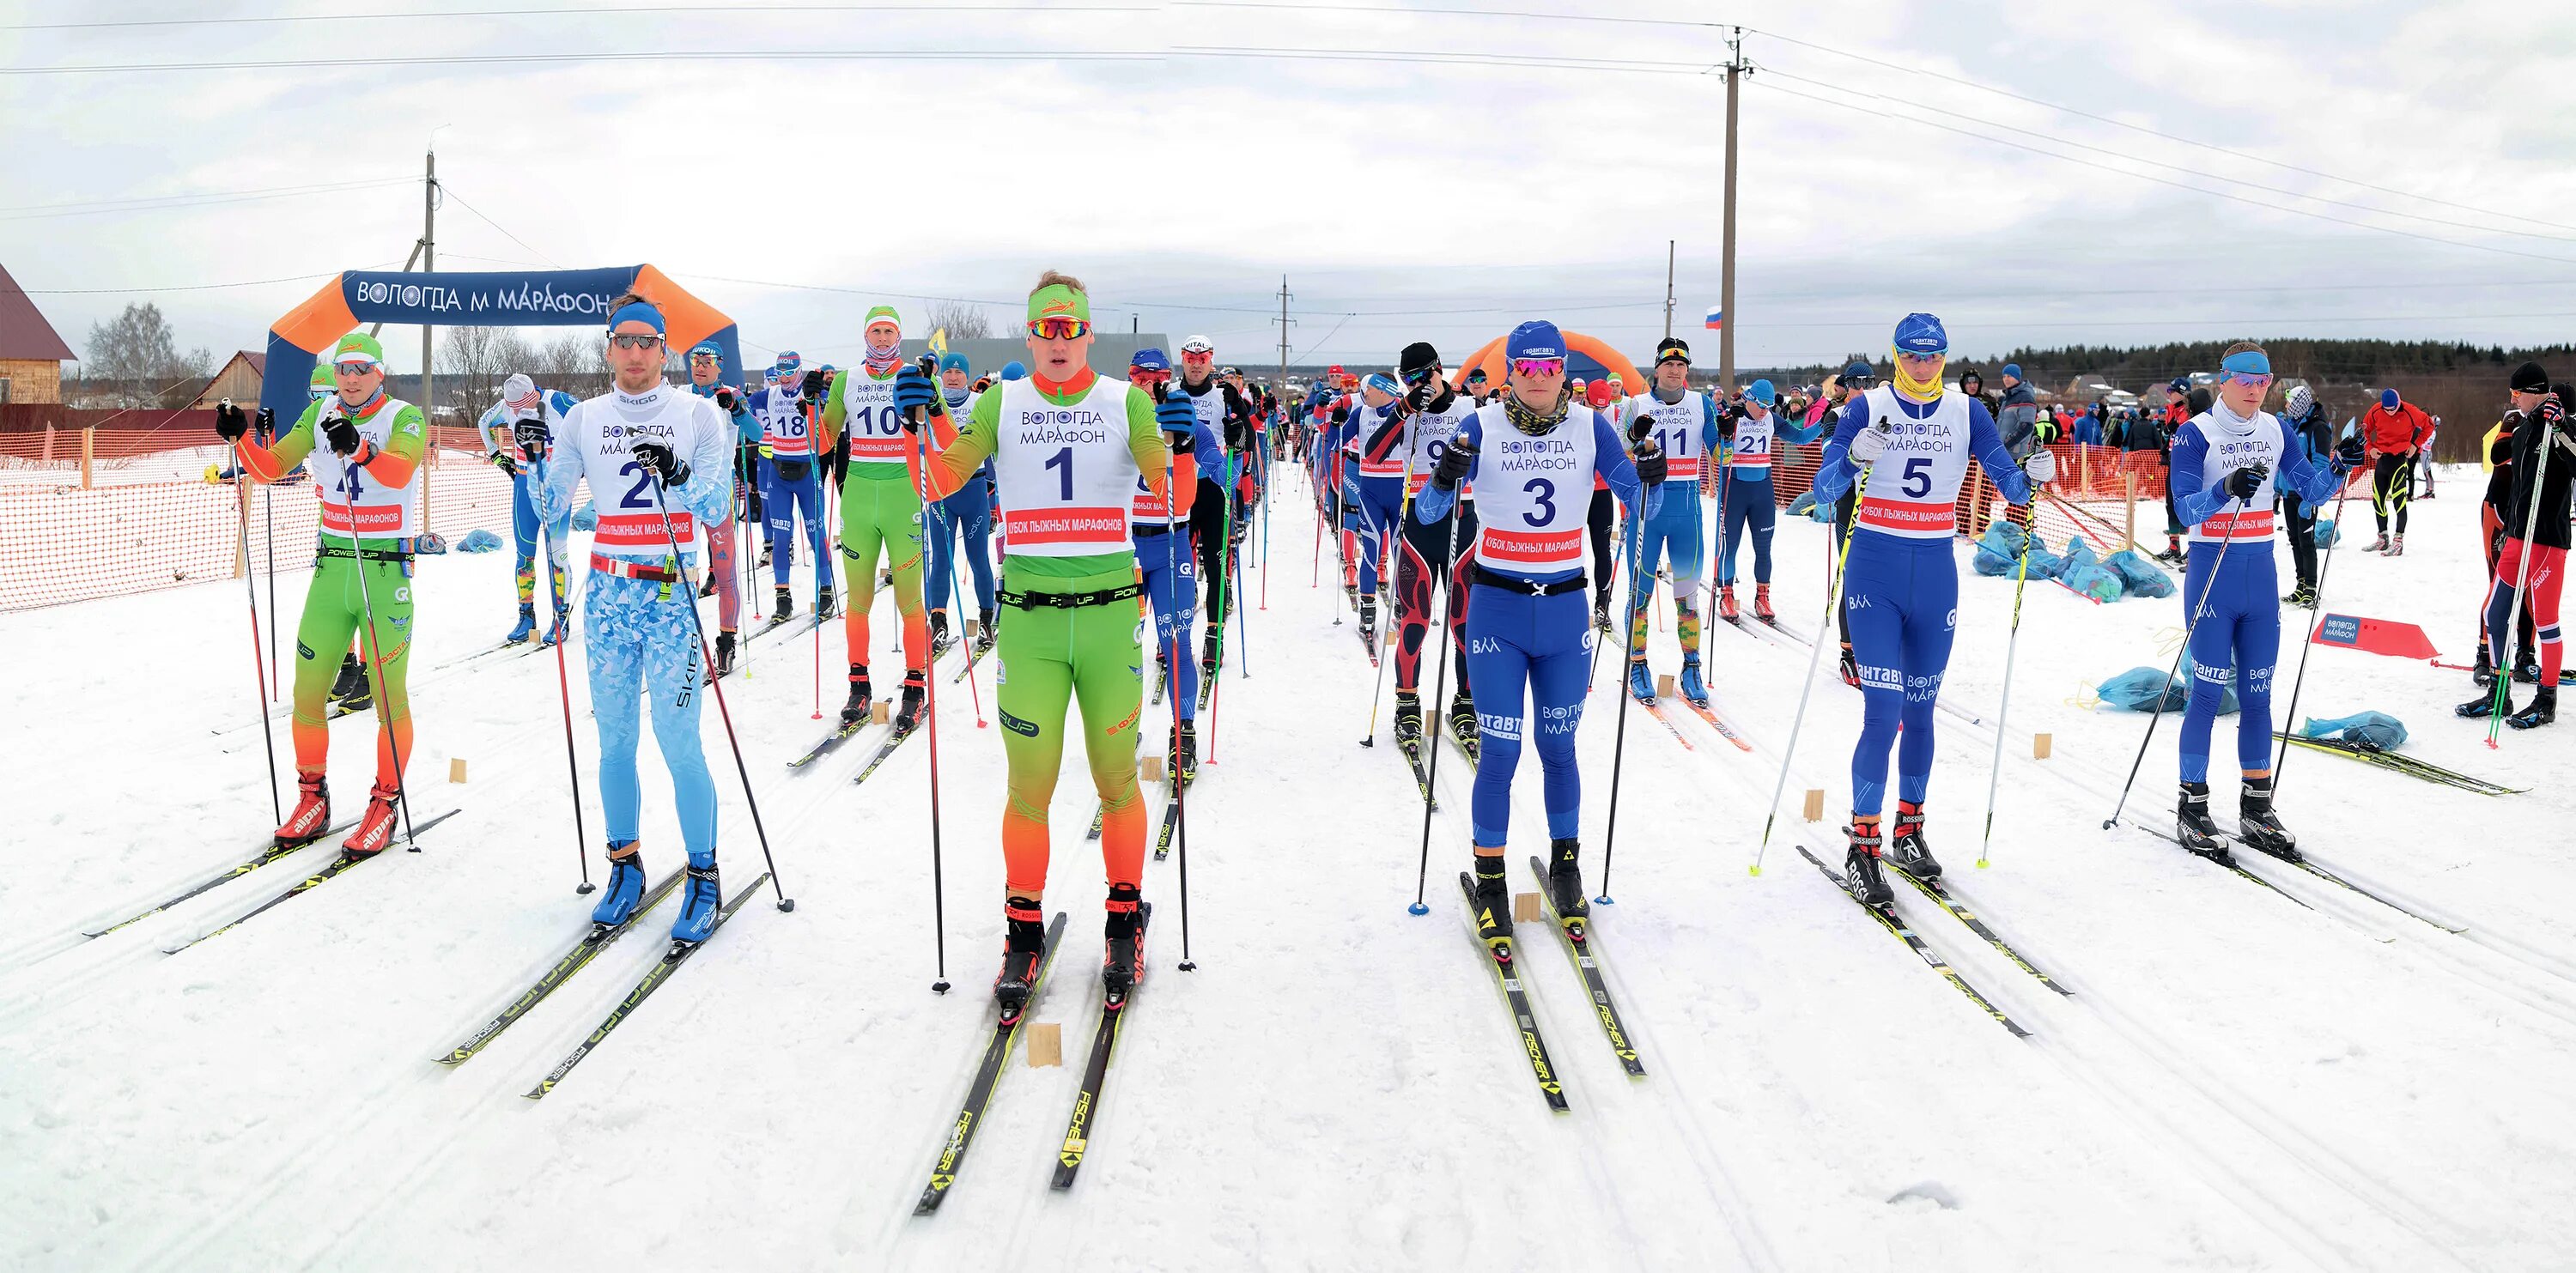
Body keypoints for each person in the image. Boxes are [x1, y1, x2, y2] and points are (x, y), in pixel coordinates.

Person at [908, 270, 1194, 1011]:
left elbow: (1174, 496)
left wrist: (1184, 446)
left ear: (1088, 333)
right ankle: (1023, 931)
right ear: (1030, 334)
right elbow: (942, 479)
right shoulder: (1002, 401)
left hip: (1106, 619)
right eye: (1046, 328)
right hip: (1031, 622)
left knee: (1116, 777)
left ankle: (1124, 917)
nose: (1059, 341)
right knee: (1028, 784)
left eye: (1071, 328)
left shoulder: (1125, 400)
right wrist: (928, 417)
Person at [1413, 319, 1663, 950]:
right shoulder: (1480, 424)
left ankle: (1567, 865)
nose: (1539, 380)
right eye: (1526, 368)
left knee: (1560, 746)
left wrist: (1652, 477)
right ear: (1509, 373)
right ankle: (1491, 877)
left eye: (1551, 368)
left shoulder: (1591, 426)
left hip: (1564, 613)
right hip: (1497, 609)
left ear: (1564, 371)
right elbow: (1428, 516)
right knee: (1500, 751)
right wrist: (1444, 479)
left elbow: (1640, 504)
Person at [1809, 314, 2050, 904]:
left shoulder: (1968, 412)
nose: (1923, 367)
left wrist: (2033, 476)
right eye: (1913, 357)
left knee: (1921, 713)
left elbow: (2009, 487)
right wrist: (1850, 458)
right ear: (1896, 355)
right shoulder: (1867, 405)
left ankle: (1909, 828)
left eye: (1933, 357)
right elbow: (1821, 488)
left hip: (1936, 575)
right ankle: (1862, 845)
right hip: (1875, 571)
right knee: (1882, 709)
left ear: (1945, 357)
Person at [530, 294, 738, 942]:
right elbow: (549, 507)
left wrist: (678, 475)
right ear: (610, 346)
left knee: (679, 741)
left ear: (665, 348)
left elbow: (715, 506)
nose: (637, 353)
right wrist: (532, 457)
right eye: (626, 340)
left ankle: (704, 876)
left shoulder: (699, 414)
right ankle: (625, 865)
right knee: (615, 741)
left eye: (649, 341)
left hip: (671, 597)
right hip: (610, 598)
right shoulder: (584, 418)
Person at [212, 331, 428, 854]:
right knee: (307, 694)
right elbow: (270, 468)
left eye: (361, 368)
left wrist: (360, 447)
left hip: (383, 572)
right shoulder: (319, 414)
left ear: (380, 373)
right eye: (343, 369)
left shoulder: (404, 416)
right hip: (332, 571)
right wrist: (239, 438)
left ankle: (385, 802)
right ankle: (313, 797)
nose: (350, 378)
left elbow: (400, 472)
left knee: (387, 695)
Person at [2167, 343, 2366, 859]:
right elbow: (2185, 510)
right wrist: (2223, 490)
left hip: (2260, 576)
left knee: (2259, 697)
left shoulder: (2276, 429)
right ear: (2225, 379)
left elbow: (2312, 491)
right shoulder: (2195, 434)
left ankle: (2257, 807)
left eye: (2265, 381)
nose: (2256, 389)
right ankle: (2193, 805)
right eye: (2246, 380)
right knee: (2207, 696)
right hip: (2213, 575)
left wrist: (2341, 467)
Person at [815, 307, 936, 733]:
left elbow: (939, 433)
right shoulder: (848, 379)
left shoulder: (914, 374)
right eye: (875, 332)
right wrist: (813, 401)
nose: (882, 339)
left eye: (889, 332)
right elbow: (825, 439)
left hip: (903, 493)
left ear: (898, 336)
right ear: (865, 335)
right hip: (860, 494)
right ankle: (859, 684)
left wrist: (931, 400)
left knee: (909, 599)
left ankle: (915, 686)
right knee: (859, 600)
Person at [1125, 347, 1224, 781]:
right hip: (1124, 548)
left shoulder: (1188, 422)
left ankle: (1183, 733)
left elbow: (1218, 468)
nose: (1148, 385)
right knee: (1122, 646)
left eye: (1157, 377)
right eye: (1139, 377)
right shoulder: (1115, 422)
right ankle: (1120, 728)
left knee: (1176, 642)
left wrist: (1186, 459)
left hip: (1171, 545)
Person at [1618, 340, 1730, 706]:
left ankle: (1692, 665)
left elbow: (1720, 455)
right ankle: (1637, 664)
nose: (1675, 370)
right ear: (1657, 368)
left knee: (1687, 596)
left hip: (1686, 510)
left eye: (1682, 365)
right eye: (1669, 364)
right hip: (1647, 509)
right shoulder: (1637, 404)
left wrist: (1727, 434)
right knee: (1640, 594)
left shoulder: (1700, 404)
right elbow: (1618, 449)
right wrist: (1635, 437)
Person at [2459, 365, 2571, 729]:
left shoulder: (2559, 425)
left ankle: (2547, 698)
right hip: (2518, 537)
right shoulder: (2522, 428)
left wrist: (2564, 425)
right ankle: (2499, 691)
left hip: (2547, 541)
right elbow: (2503, 464)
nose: (2512, 398)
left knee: (2545, 619)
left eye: (2516, 392)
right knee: (2494, 612)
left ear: (2533, 391)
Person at [1387, 342, 1481, 758]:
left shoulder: (1470, 414)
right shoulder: (1407, 412)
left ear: (1440, 370)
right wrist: (1403, 410)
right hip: (1420, 526)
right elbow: (1371, 451)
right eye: (1410, 379)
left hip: (1464, 520)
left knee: (1465, 622)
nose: (1420, 385)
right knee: (1415, 619)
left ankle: (1465, 703)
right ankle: (1407, 702)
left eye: (1425, 376)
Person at [1708, 371, 1826, 636]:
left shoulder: (1772, 419)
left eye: (1768, 406)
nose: (1764, 411)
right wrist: (1724, 431)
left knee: (1764, 548)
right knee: (1730, 546)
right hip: (1735, 490)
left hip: (1762, 492)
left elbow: (1802, 438)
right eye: (1760, 405)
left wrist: (1824, 423)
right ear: (1749, 399)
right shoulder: (1733, 418)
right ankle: (1726, 595)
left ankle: (1763, 596)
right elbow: (1717, 454)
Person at [1176, 336, 1258, 674]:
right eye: (1190, 357)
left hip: (1213, 489)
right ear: (1182, 359)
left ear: (1211, 361)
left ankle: (1214, 635)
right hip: (1178, 490)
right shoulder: (1171, 393)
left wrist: (1238, 428)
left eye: (1203, 358)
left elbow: (1248, 439)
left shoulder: (1224, 394)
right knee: (1179, 567)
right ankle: (1174, 636)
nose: (1196, 364)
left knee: (1215, 565)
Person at [476, 374, 578, 647]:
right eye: (514, 409)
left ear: (534, 395)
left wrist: (579, 464)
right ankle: (526, 616)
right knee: (524, 556)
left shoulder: (558, 402)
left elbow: (590, 423)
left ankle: (561, 617)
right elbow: (484, 423)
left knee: (557, 554)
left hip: (554, 485)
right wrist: (497, 455)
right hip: (524, 483)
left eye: (523, 408)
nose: (518, 414)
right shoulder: (506, 407)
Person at [683, 341, 762, 676]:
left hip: (718, 490)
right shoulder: (680, 395)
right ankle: (679, 636)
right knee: (682, 566)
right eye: (695, 360)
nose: (700, 366)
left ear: (720, 366)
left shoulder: (729, 394)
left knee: (725, 567)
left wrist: (738, 411)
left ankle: (726, 641)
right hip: (683, 490)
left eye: (707, 361)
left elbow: (758, 432)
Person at [746, 351, 834, 621]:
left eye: (789, 372)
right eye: (780, 372)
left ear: (798, 371)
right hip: (779, 473)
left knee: (815, 535)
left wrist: (817, 399)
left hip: (808, 472)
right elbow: (744, 403)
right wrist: (732, 401)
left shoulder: (808, 393)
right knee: (781, 538)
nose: (784, 378)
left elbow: (830, 405)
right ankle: (782, 597)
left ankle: (826, 591)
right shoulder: (769, 395)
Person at [925, 350, 999, 655]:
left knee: (978, 557)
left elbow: (993, 444)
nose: (953, 377)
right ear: (941, 376)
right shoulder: (931, 402)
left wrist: (995, 489)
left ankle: (985, 619)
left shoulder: (979, 403)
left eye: (959, 373)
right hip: (941, 491)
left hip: (973, 488)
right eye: (949, 373)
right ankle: (938, 622)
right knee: (941, 558)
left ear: (967, 376)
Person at [2475, 396, 2540, 687]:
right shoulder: (2515, 418)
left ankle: (2525, 655)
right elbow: (2497, 454)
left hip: (2532, 518)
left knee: (2529, 589)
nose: (2515, 397)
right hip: (2498, 512)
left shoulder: (2559, 425)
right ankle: (2484, 654)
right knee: (2498, 587)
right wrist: (2527, 437)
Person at [1823, 360, 1874, 688]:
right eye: (1857, 385)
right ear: (1847, 388)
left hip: (1881, 509)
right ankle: (1848, 652)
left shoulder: (1884, 412)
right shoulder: (1836, 416)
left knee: (1882, 580)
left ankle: (1877, 646)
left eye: (1869, 384)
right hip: (1849, 505)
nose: (1863, 391)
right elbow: (1830, 458)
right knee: (1854, 577)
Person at [2276, 385, 2334, 608]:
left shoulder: (2317, 428)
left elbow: (2320, 464)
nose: (2286, 405)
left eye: (2290, 401)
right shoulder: (2290, 426)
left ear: (2300, 403)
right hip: (2289, 493)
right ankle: (2301, 584)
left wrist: (2312, 497)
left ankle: (2310, 587)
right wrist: (2277, 488)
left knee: (2306, 542)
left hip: (2305, 495)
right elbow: (2281, 462)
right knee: (2294, 541)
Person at [2360, 387, 2432, 555]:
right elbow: (2364, 430)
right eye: (2387, 410)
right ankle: (2382, 537)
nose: (2390, 413)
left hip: (2399, 459)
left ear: (2398, 404)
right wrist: (2369, 447)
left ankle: (2398, 540)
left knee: (2399, 500)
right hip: (2381, 459)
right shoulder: (2376, 410)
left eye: (2393, 409)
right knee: (2378, 499)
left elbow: (2429, 426)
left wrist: (2416, 445)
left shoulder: (2410, 411)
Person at [1583, 377, 1620, 632]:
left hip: (1602, 491)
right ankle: (1565, 602)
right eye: (1594, 407)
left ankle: (1602, 603)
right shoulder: (1572, 416)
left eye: (1602, 407)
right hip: (1575, 491)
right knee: (1568, 547)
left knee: (1602, 549)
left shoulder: (1615, 415)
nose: (1598, 412)